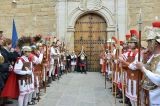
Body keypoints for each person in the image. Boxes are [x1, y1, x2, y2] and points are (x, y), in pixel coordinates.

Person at [136, 21, 160, 106]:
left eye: (149, 42)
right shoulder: (153, 57)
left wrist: (142, 68)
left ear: (155, 43)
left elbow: (158, 80)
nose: (148, 44)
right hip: (151, 95)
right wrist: (143, 62)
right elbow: (147, 67)